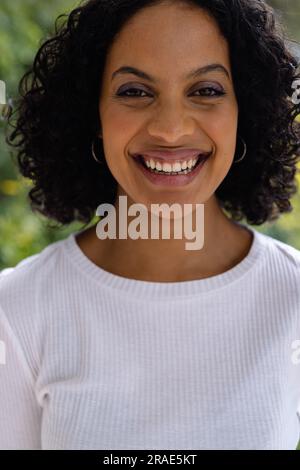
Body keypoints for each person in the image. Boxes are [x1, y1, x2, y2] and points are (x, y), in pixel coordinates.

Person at [1, 0, 300, 450]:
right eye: (135, 91)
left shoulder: (293, 299)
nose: (171, 129)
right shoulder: (18, 310)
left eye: (207, 90)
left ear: (247, 111)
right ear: (93, 114)